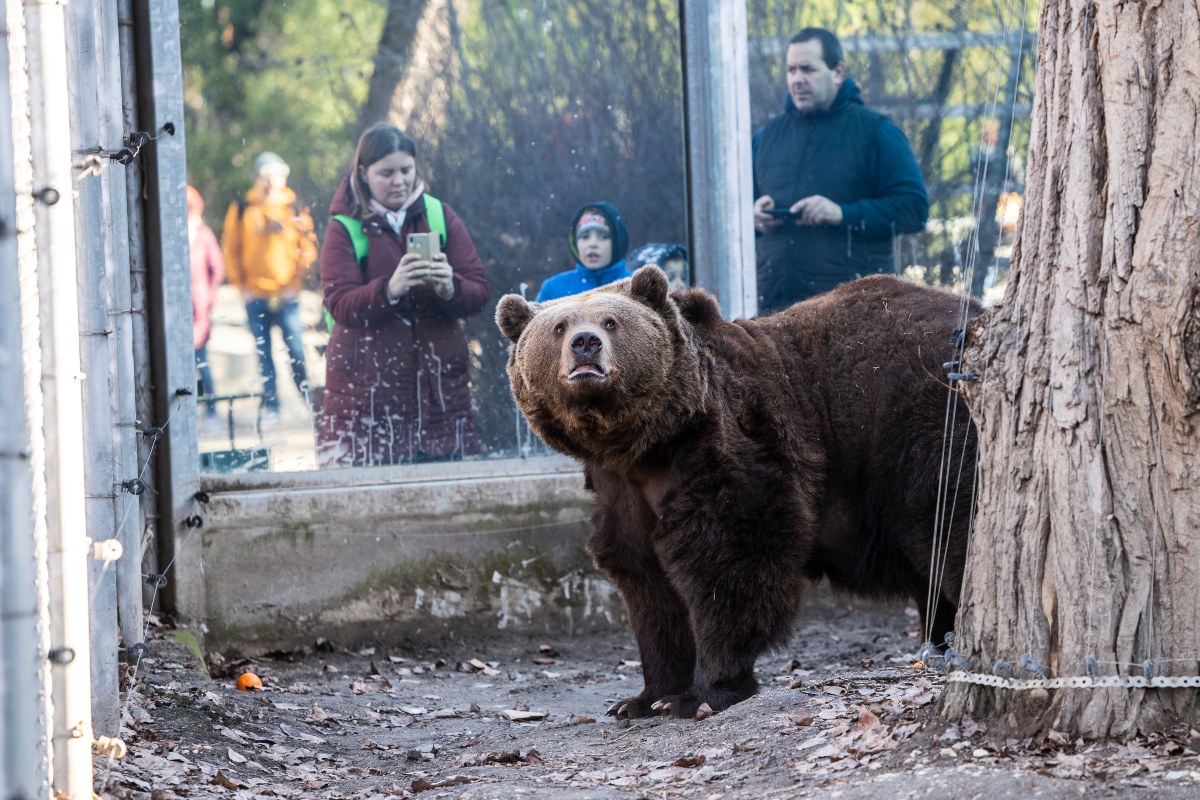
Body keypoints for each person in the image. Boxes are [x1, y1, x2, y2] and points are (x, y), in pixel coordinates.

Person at [319, 123, 489, 467]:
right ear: (364, 173)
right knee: (372, 489)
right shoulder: (345, 227)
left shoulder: (438, 215)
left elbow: (480, 292)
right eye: (387, 173)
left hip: (440, 394)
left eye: (406, 170)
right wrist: (389, 289)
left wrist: (450, 287)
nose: (399, 181)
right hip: (366, 396)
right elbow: (339, 304)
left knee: (443, 489)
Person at [752, 27, 929, 313]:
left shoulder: (876, 132)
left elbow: (914, 209)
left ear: (838, 72)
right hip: (774, 314)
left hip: (852, 315)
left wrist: (841, 214)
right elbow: (735, 217)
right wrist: (755, 217)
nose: (797, 79)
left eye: (808, 69)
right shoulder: (766, 137)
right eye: (791, 70)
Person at [222, 151, 318, 418]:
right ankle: (272, 405)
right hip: (255, 295)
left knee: (296, 350)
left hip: (287, 295)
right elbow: (231, 249)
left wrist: (296, 281)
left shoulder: (295, 208)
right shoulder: (243, 208)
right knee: (264, 353)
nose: (272, 181)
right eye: (267, 176)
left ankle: (310, 402)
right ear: (258, 178)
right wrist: (242, 287)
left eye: (277, 175)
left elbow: (308, 247)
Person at [534, 202, 631, 302]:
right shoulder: (553, 290)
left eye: (603, 237)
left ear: (618, 242)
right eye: (585, 236)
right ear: (575, 243)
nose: (592, 244)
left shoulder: (635, 289)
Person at [188, 184, 225, 424]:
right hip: (179, 309)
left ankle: (211, 410)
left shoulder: (203, 235)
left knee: (200, 359)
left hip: (199, 308)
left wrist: (210, 299)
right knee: (183, 362)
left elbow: (217, 268)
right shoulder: (172, 234)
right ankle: (189, 410)